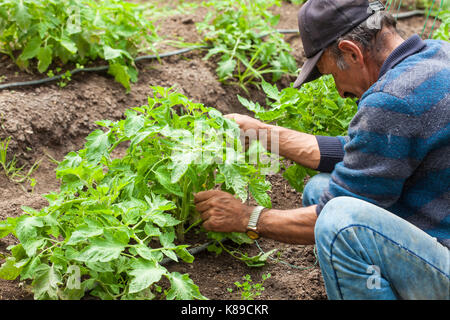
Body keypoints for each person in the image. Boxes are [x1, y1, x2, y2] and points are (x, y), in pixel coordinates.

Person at [194, 0, 450, 300]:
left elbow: (331, 215)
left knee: (339, 223)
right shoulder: (437, 54)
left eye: (332, 76)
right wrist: (263, 134)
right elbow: (369, 153)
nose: (341, 92)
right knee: (320, 190)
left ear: (352, 52)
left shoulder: (393, 100)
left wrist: (247, 218)